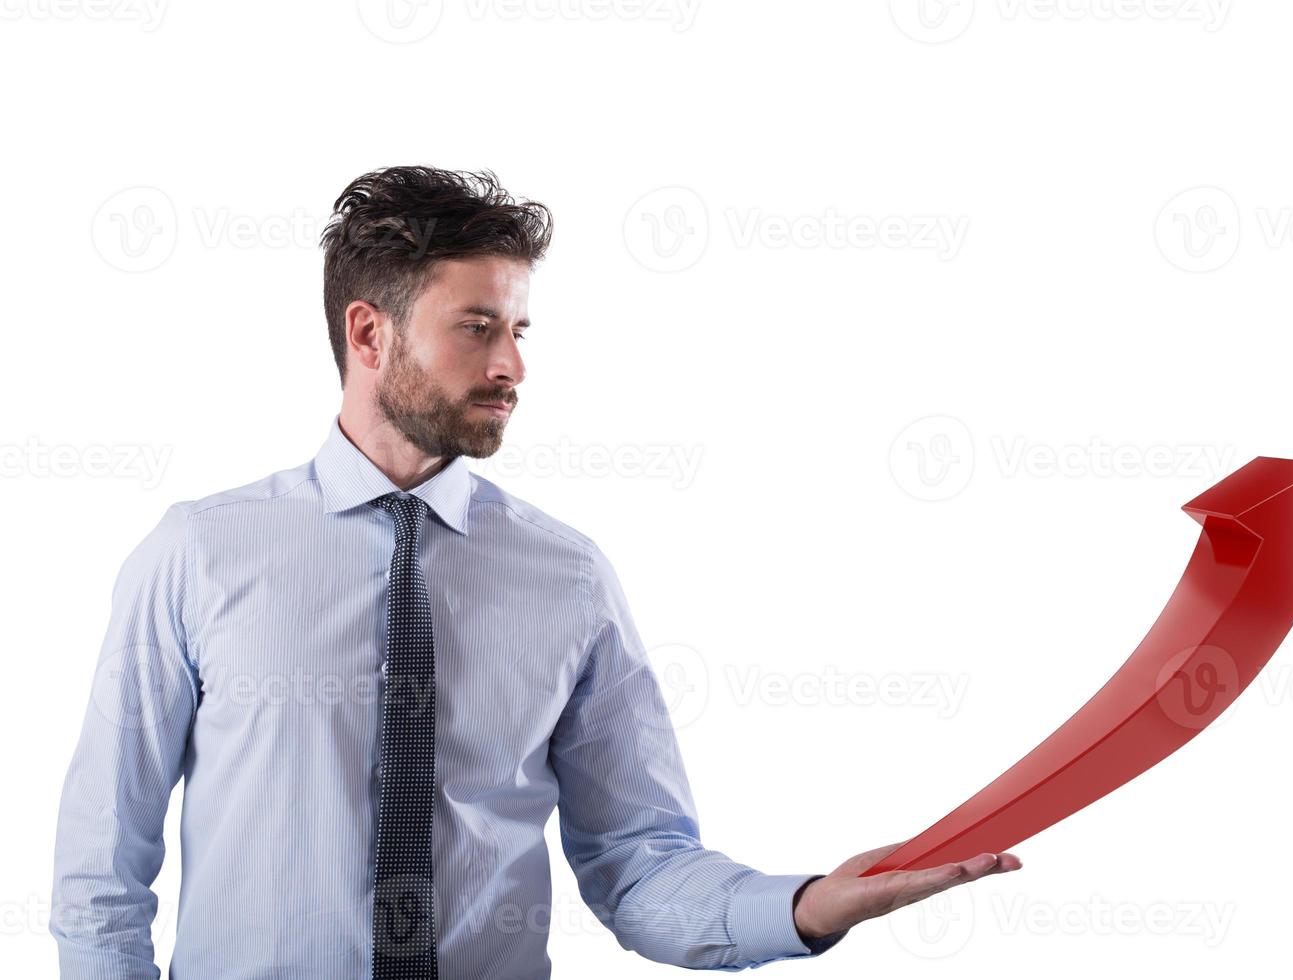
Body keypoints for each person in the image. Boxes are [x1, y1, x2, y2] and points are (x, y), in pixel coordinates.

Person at [48, 165, 1022, 979]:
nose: (513, 364)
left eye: (519, 331)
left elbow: (638, 866)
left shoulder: (567, 575)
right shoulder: (199, 553)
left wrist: (806, 905)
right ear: (368, 334)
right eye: (477, 327)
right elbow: (102, 870)